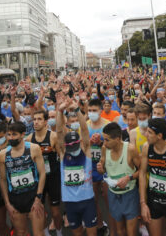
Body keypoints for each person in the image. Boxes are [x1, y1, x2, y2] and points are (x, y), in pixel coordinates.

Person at [55, 96, 97, 236]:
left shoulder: (86, 151)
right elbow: (59, 131)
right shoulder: (63, 154)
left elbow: (84, 130)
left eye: (75, 144)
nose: (73, 147)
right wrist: (60, 112)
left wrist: (77, 109)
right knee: (77, 233)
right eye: (70, 145)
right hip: (70, 202)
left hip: (87, 200)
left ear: (79, 143)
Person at [0, 121, 46, 236]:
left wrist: (38, 197)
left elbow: (42, 173)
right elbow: (3, 180)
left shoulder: (34, 148)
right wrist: (7, 203)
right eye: (8, 135)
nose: (10, 137)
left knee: (38, 233)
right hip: (15, 198)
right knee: (21, 232)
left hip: (33, 195)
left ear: (22, 134)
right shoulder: (3, 154)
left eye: (14, 134)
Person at [97, 122, 140, 236]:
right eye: (104, 139)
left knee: (131, 233)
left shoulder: (130, 149)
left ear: (117, 139)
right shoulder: (104, 149)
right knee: (120, 231)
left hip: (129, 194)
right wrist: (101, 169)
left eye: (107, 140)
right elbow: (103, 169)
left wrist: (129, 177)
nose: (104, 143)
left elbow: (142, 170)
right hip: (113, 194)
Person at [27, 109, 63, 236]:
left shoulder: (52, 136)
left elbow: (61, 156)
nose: (36, 122)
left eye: (39, 119)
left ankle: (59, 232)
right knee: (39, 212)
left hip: (53, 177)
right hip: (38, 180)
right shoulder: (29, 139)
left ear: (46, 121)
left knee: (55, 212)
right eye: (34, 119)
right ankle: (46, 233)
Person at [86, 99, 112, 235]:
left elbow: (115, 146)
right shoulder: (84, 126)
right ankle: (100, 224)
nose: (91, 113)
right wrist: (89, 143)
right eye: (89, 111)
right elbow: (81, 148)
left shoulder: (108, 125)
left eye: (94, 110)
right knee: (94, 199)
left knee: (109, 200)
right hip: (91, 168)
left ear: (100, 111)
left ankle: (114, 228)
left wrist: (102, 141)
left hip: (107, 168)